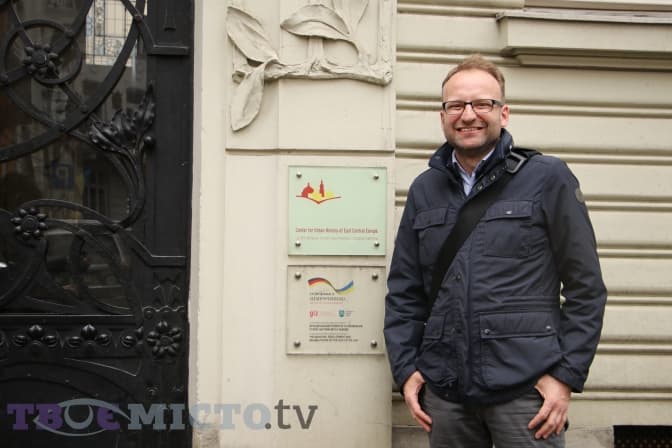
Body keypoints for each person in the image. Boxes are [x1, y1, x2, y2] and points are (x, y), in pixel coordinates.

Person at [383, 54, 607, 447]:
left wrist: (565, 376)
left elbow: (586, 288)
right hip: (447, 393)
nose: (468, 115)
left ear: (503, 113)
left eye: (481, 103)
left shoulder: (547, 178)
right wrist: (406, 371)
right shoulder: (425, 189)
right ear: (443, 116)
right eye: (456, 105)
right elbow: (405, 292)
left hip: (526, 392)